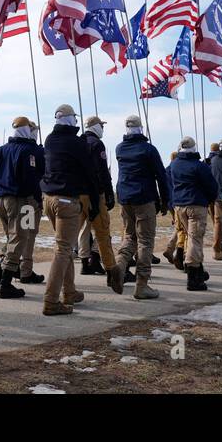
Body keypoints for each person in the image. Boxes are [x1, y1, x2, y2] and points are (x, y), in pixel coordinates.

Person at [40, 103, 98, 315]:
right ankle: (51, 300)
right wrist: (93, 201)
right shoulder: (77, 143)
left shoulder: (49, 139)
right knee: (63, 250)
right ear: (71, 119)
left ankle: (70, 291)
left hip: (49, 199)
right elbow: (90, 173)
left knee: (64, 246)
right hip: (66, 200)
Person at [113, 114, 168, 299]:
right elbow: (161, 176)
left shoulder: (120, 148)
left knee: (130, 237)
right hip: (144, 198)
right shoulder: (149, 150)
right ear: (141, 128)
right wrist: (165, 200)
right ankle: (142, 285)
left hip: (125, 198)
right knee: (145, 241)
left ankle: (119, 267)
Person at [0, 116, 44, 300]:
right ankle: (6, 283)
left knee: (12, 238)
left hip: (2, 199)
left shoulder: (4, 149)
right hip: (22, 201)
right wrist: (37, 199)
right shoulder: (30, 150)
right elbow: (32, 179)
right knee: (21, 238)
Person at [168, 137, 216, 291]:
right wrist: (208, 199)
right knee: (195, 240)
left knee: (190, 237)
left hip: (179, 206)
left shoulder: (174, 165)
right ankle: (193, 278)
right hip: (196, 205)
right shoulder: (199, 166)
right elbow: (211, 186)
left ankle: (199, 271)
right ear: (194, 148)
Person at [79, 114, 121, 287]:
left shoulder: (78, 143)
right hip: (96, 193)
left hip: (80, 193)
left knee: (83, 229)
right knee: (102, 230)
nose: (103, 129)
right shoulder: (97, 144)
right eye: (101, 126)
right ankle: (110, 268)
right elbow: (103, 171)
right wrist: (109, 193)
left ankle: (83, 261)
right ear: (95, 127)